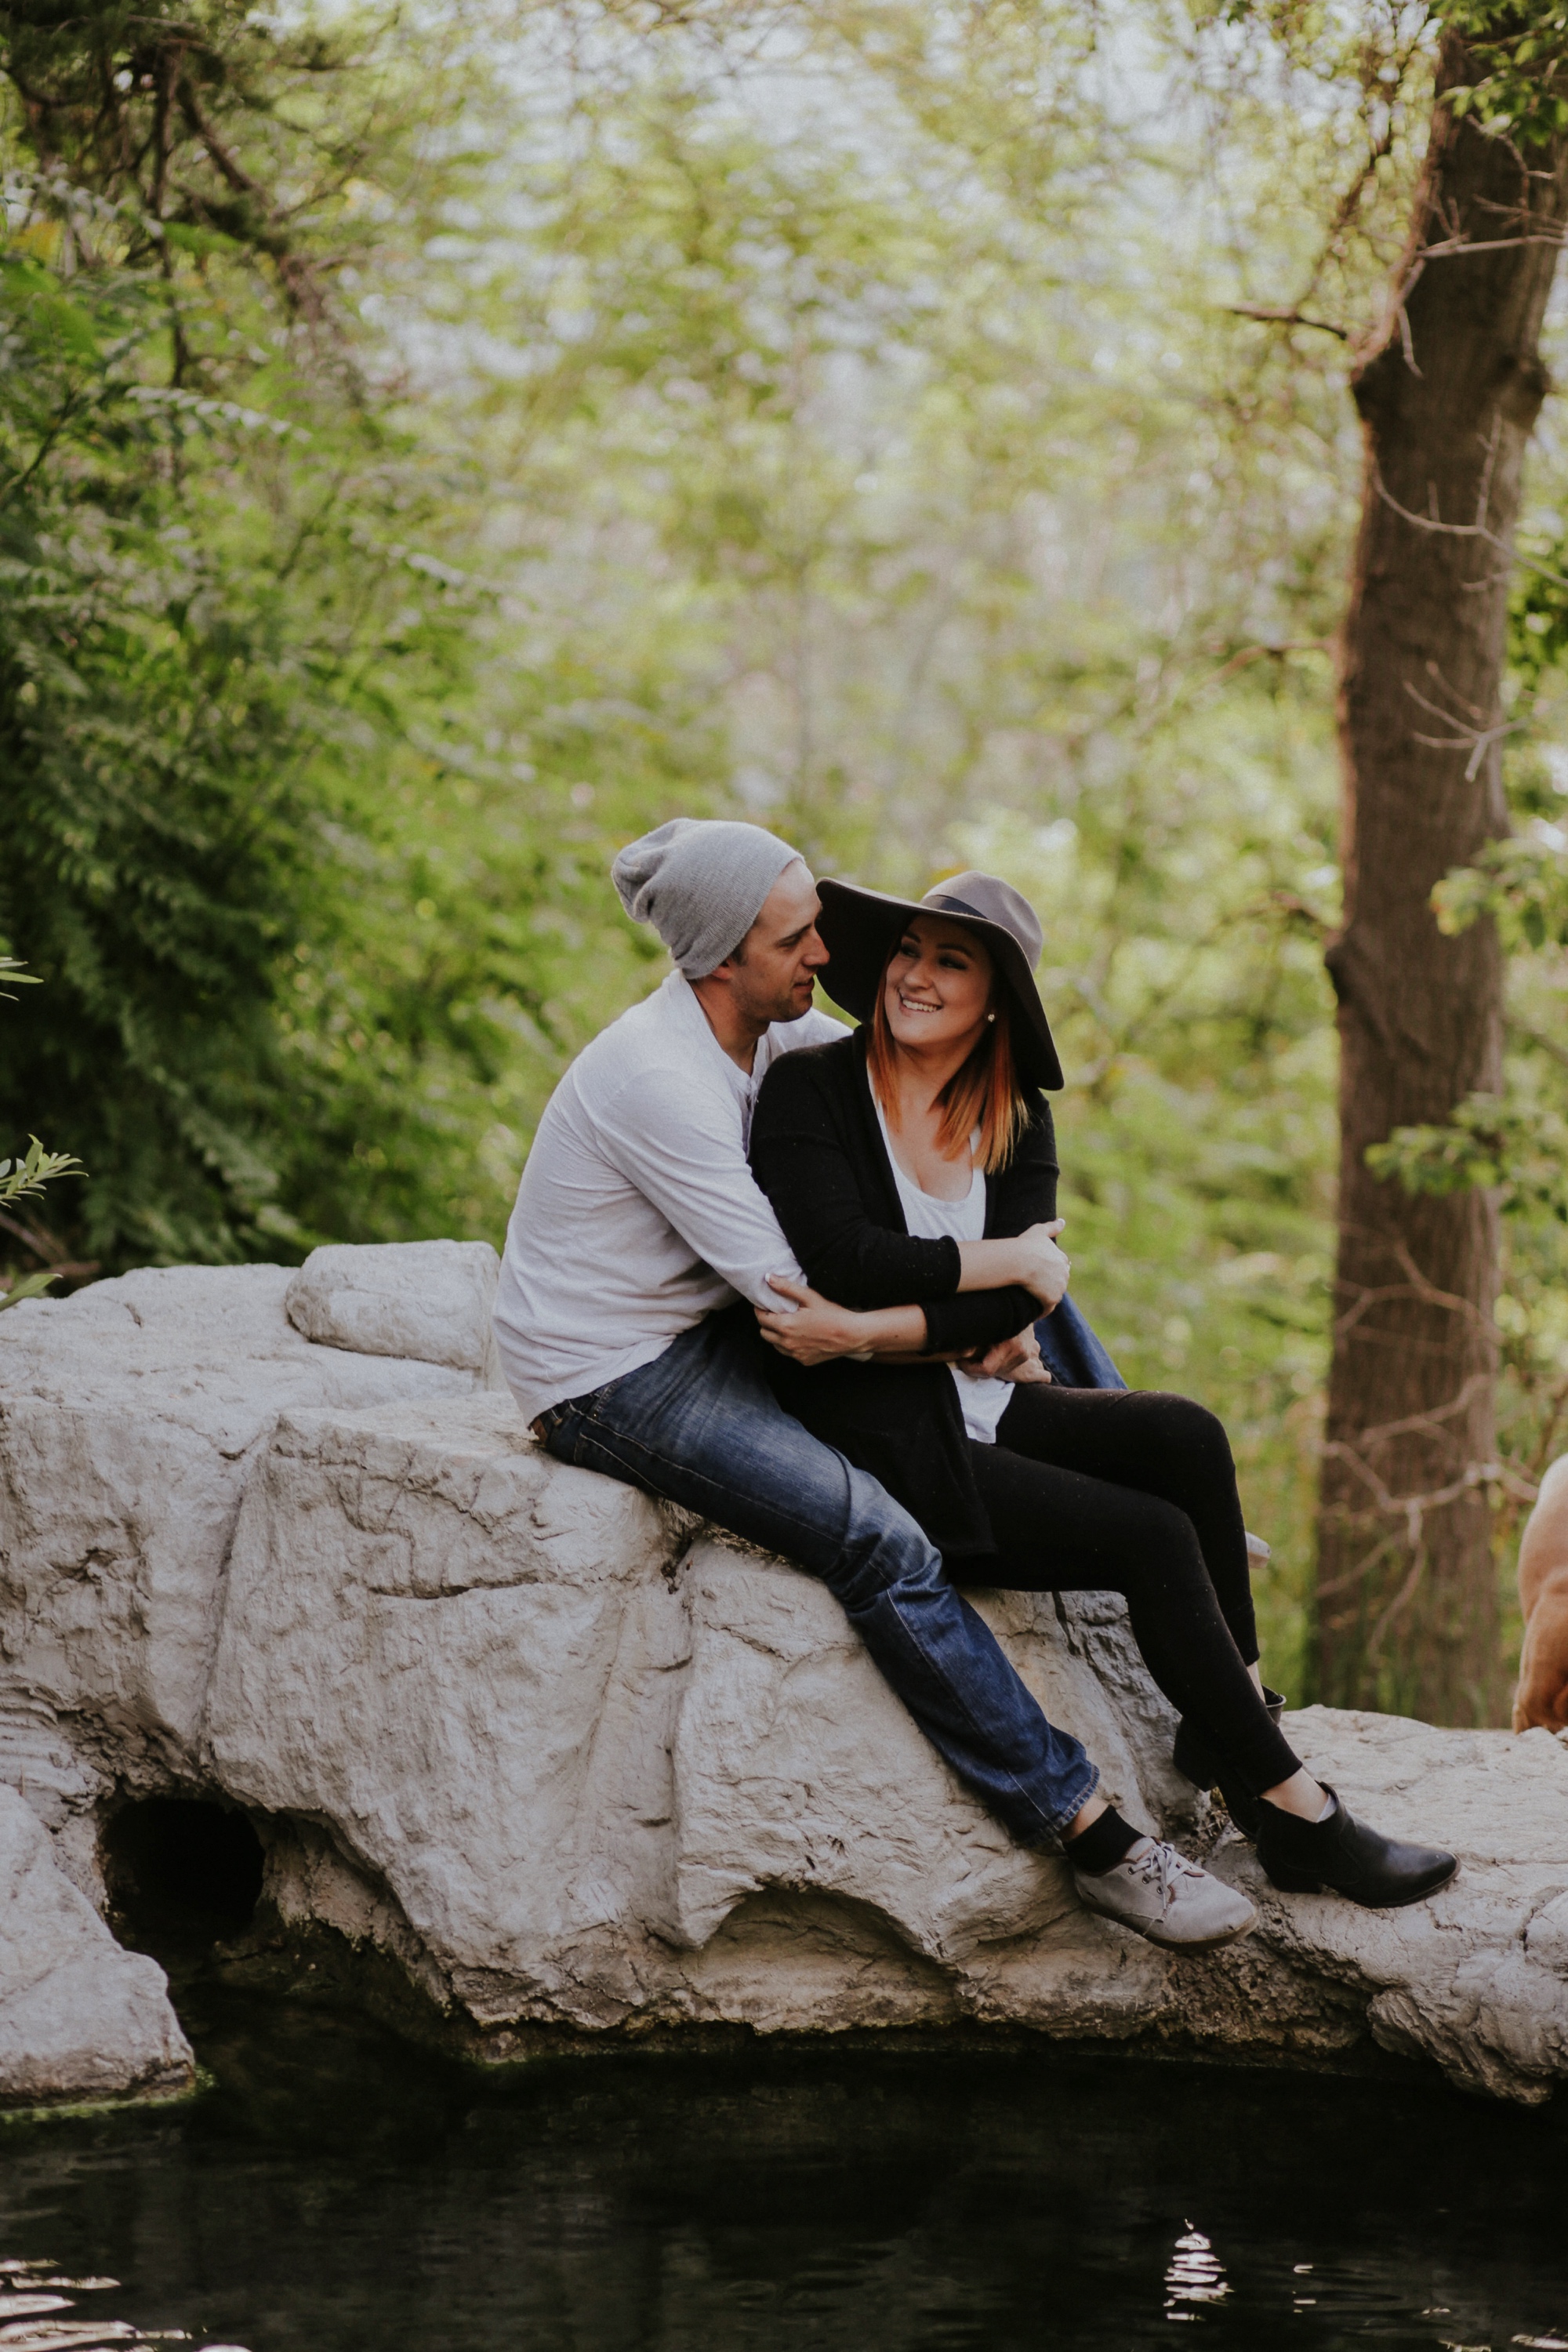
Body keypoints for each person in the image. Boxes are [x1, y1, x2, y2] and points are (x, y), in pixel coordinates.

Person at [492, 817, 1261, 1952]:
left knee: (1049, 1291)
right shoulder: (660, 1081)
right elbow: (806, 1299)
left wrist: (1009, 1297)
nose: (826, 961)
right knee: (878, 1538)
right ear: (721, 958)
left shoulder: (754, 1042)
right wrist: (993, 1290)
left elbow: (860, 1255)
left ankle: (1103, 1443)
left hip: (712, 1320)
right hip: (615, 1371)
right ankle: (1089, 1832)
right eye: (799, 939)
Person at [746, 868, 1459, 1917]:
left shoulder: (1015, 1120)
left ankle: (1231, 1716)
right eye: (909, 951)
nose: (916, 976)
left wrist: (890, 1325)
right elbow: (845, 1258)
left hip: (970, 1399)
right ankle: (1299, 1813)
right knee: (1150, 1536)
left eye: (953, 962)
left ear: (993, 1000)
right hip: (877, 1431)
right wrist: (987, 1277)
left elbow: (996, 1320)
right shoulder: (813, 1089)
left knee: (1185, 1435)